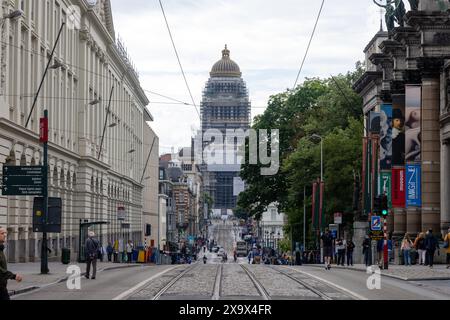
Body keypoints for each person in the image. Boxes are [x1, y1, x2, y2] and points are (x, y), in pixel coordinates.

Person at [0, 227, 23, 300]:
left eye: (5, 233)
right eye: (2, 233)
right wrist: (13, 276)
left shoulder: (1, 249)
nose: (5, 235)